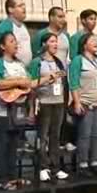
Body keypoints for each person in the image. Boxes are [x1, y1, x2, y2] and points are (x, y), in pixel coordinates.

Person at [0, 31, 53, 190]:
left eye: (16, 41)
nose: (16, 44)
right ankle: (2, 179)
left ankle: (13, 177)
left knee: (13, 145)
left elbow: (29, 84)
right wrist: (18, 81)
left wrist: (47, 79)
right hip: (0, 111)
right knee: (2, 144)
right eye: (11, 41)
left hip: (17, 111)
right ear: (2, 46)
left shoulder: (21, 64)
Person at [31, 6, 76, 152]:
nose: (63, 19)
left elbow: (70, 58)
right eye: (60, 16)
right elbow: (35, 55)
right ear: (51, 18)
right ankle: (43, 147)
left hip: (61, 78)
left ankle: (62, 141)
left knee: (62, 112)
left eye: (64, 16)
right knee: (45, 117)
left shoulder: (66, 36)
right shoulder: (41, 34)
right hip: (45, 79)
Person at [68, 33, 97, 178]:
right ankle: (83, 164)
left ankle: (95, 162)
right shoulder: (78, 61)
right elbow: (73, 83)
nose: (96, 43)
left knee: (96, 135)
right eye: (92, 41)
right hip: (85, 103)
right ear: (84, 44)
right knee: (84, 135)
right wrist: (77, 102)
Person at [29, 33, 69, 182]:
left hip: (58, 103)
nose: (55, 44)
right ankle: (42, 167)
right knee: (43, 137)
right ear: (44, 44)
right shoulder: (37, 62)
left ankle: (55, 167)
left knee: (55, 136)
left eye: (56, 41)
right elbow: (31, 85)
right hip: (44, 103)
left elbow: (64, 83)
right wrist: (31, 109)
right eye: (52, 41)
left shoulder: (59, 62)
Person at [0, 0, 32, 68]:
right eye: (20, 6)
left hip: (23, 71)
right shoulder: (6, 26)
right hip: (10, 71)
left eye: (24, 5)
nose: (24, 8)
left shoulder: (23, 26)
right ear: (10, 9)